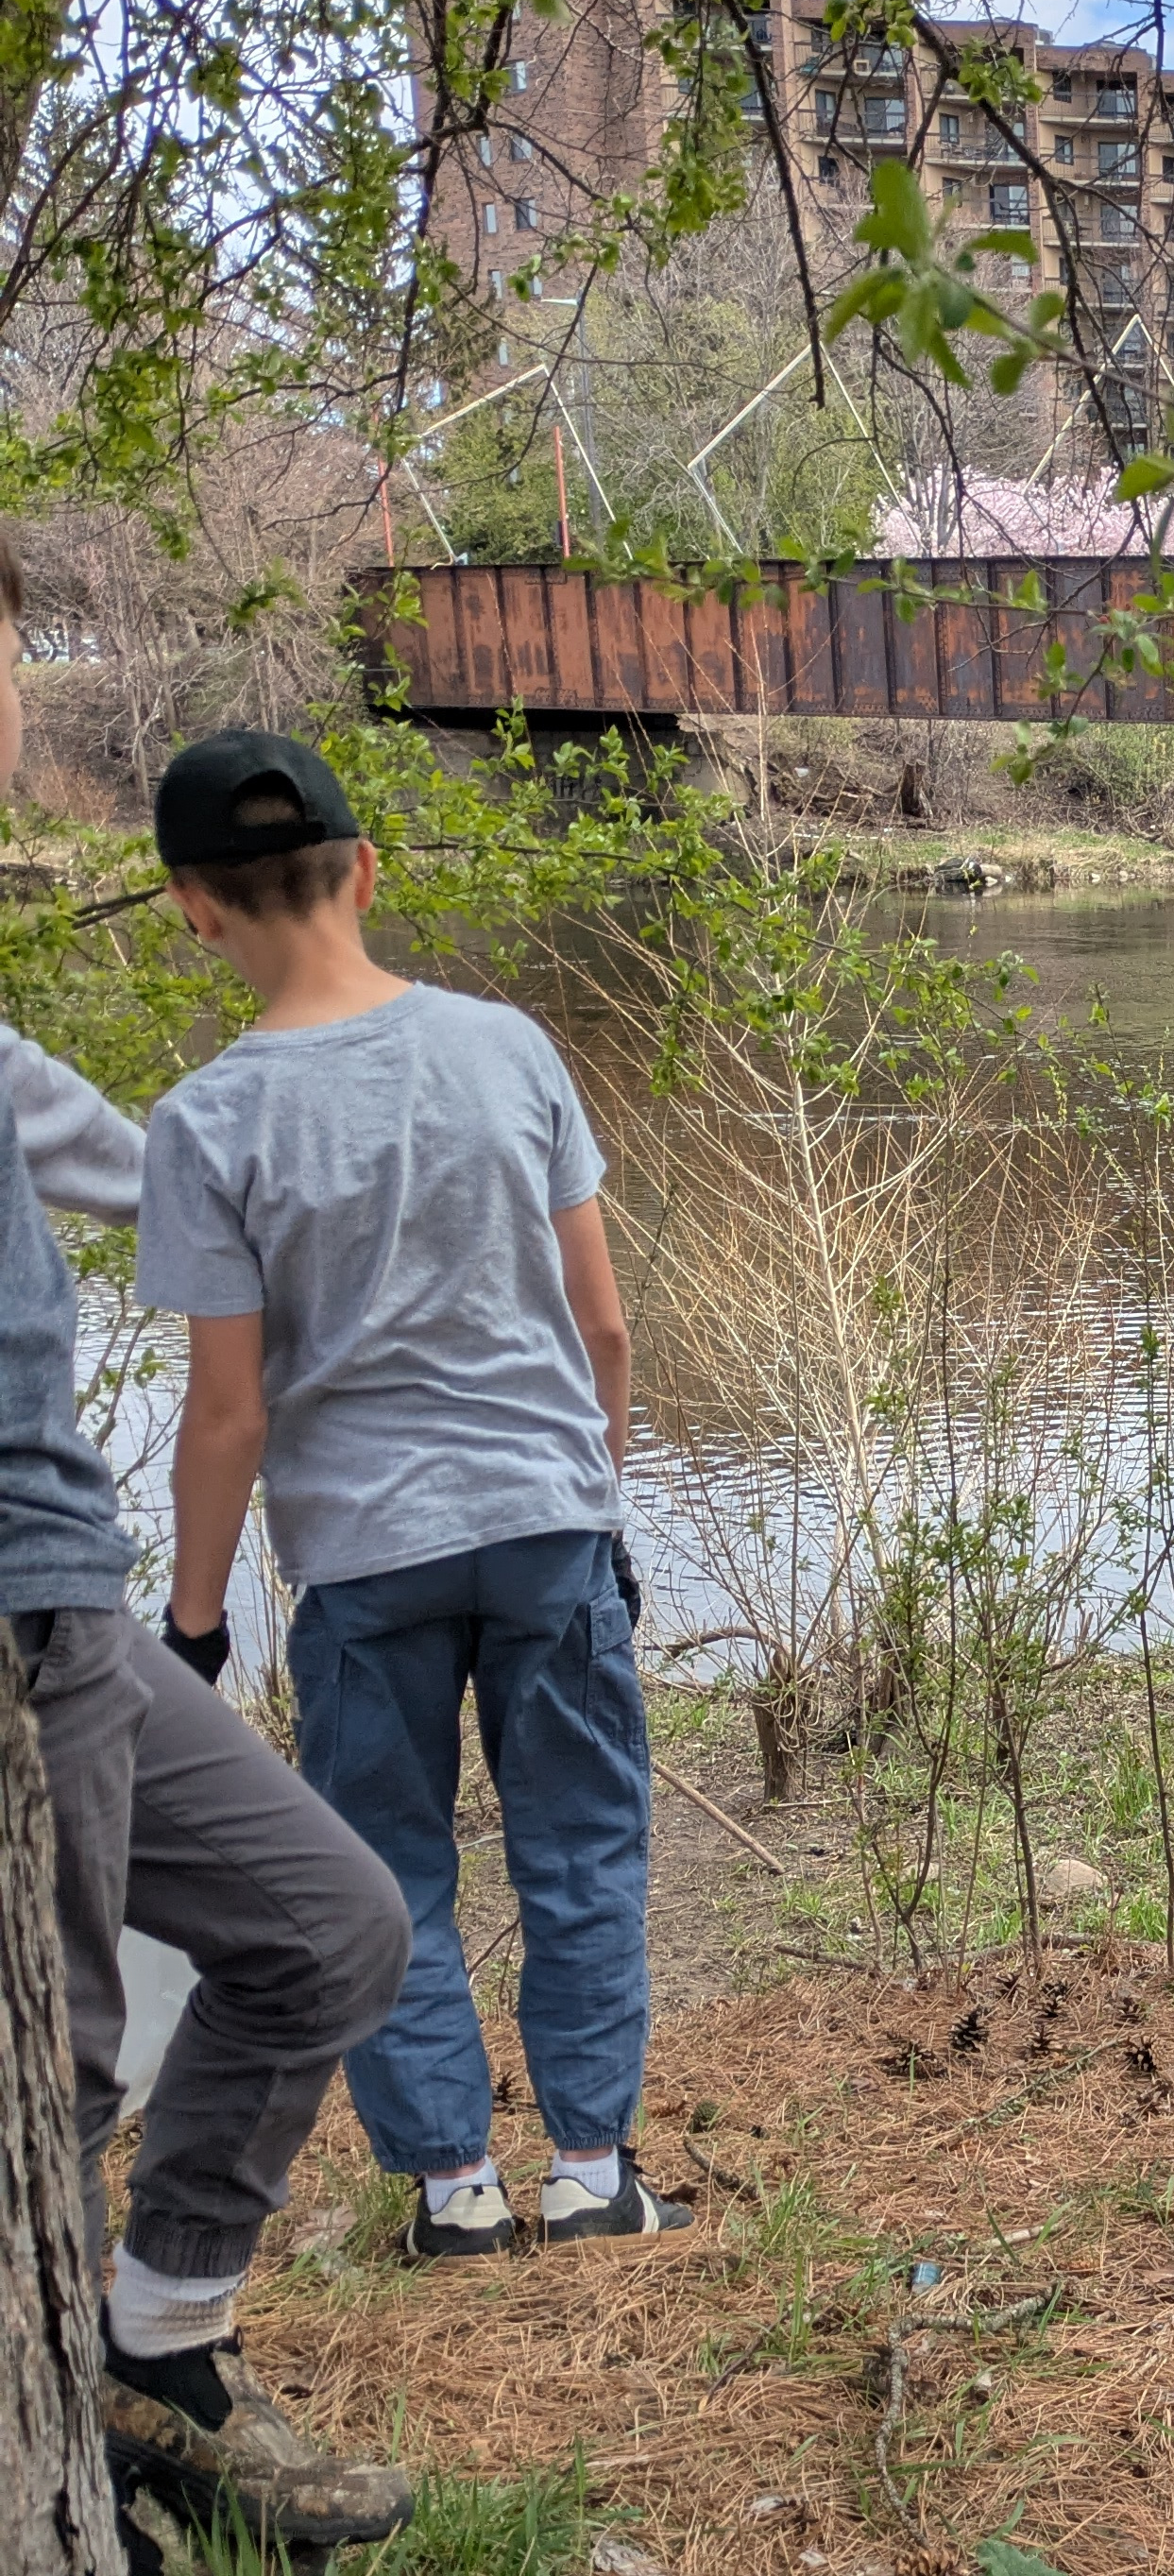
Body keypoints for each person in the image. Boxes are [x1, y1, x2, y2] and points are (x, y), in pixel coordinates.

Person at [139, 730, 687, 2256]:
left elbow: (227, 1409)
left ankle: (454, 2192)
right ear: (366, 870)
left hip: (366, 1558)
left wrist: (193, 1626)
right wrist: (594, 1501)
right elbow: (605, 1328)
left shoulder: (206, 1123)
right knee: (579, 1852)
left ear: (195, 907)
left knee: (388, 1871)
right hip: (544, 1523)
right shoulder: (508, 1047)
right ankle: (590, 2172)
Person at [0, 569, 416, 2546]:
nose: (16, 693)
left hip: (67, 1597)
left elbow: (157, 1166)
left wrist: (366, 1159)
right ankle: (79, 2468)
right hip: (20, 1605)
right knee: (57, 2060)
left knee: (330, 1927)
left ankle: (158, 2357)